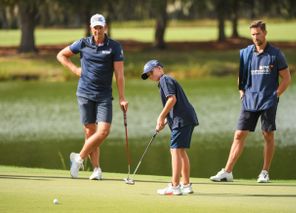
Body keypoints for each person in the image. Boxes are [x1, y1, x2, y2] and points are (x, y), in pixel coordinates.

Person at [210, 20, 291, 183]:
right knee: (239, 134)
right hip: (249, 100)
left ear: (265, 33)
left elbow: (286, 78)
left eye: (258, 34)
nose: (255, 37)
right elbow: (241, 76)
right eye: (253, 34)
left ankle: (265, 172)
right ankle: (227, 171)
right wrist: (242, 93)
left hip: (268, 100)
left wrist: (276, 95)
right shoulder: (246, 53)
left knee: (267, 134)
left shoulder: (276, 53)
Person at [57, 14, 128, 180]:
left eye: (100, 27)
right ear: (91, 28)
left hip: (104, 95)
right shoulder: (83, 43)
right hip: (84, 94)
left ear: (105, 28)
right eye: (95, 27)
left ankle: (78, 158)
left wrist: (122, 97)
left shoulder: (114, 47)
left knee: (103, 131)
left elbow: (119, 74)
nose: (98, 30)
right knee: (90, 132)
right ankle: (96, 169)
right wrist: (75, 70)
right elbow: (61, 55)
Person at [141, 59, 199, 195]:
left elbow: (172, 99)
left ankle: (175, 186)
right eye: (148, 75)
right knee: (181, 151)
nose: (150, 76)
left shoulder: (164, 80)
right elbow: (174, 104)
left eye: (151, 72)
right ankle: (186, 185)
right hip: (186, 118)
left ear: (159, 68)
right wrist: (166, 119)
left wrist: (161, 116)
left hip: (182, 120)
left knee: (175, 151)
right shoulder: (166, 80)